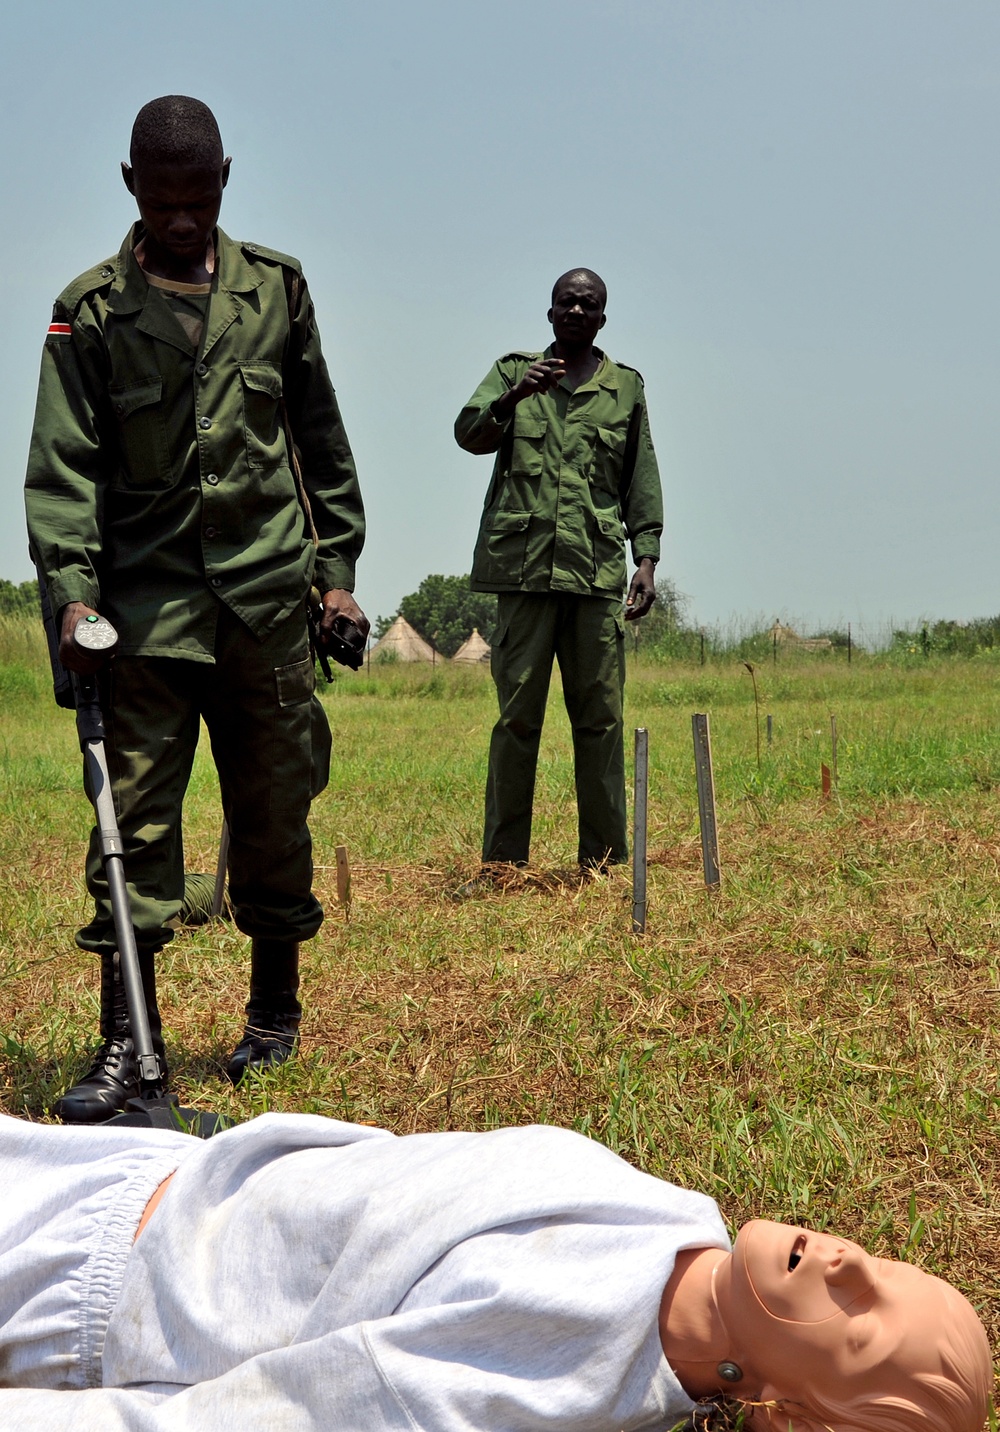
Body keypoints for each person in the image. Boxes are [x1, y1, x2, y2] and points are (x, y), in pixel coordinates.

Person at [24, 96, 368, 1120]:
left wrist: (333, 571)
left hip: (266, 602)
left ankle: (273, 1013)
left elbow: (320, 445)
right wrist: (76, 606)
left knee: (275, 812)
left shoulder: (276, 290)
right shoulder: (91, 313)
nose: (183, 219)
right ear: (132, 187)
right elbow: (63, 476)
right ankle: (130, 1045)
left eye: (201, 196)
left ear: (227, 178)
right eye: (165, 201)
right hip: (149, 618)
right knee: (129, 828)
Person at [0, 1110, 989, 1432]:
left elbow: (272, 1417)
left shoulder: (562, 1363)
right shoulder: (682, 1222)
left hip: (80, 1273)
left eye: (859, 1325)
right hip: (145, 1170)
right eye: (888, 1266)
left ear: (778, 1407)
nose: (854, 1261)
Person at [455, 269, 663, 876]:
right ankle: (502, 863)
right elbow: (468, 434)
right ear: (549, 312)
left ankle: (602, 863)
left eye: (588, 304)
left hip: (595, 575)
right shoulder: (513, 372)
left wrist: (645, 559)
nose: (575, 310)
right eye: (566, 302)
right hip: (522, 576)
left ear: (602, 318)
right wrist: (515, 394)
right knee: (517, 719)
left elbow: (640, 477)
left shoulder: (625, 388)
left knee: (600, 719)